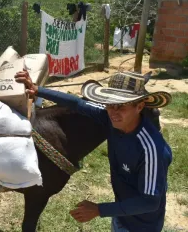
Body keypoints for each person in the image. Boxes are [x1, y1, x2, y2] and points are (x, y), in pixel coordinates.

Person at [15, 69, 173, 232]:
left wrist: (99, 210)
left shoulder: (152, 150)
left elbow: (150, 202)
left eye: (121, 106)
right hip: (121, 214)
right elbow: (77, 104)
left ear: (139, 106)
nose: (113, 112)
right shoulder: (110, 119)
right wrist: (38, 90)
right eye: (110, 104)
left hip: (142, 226)